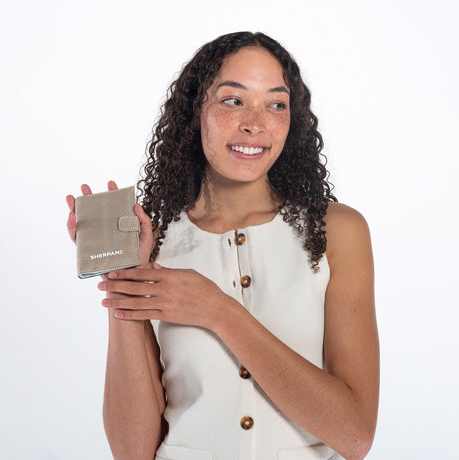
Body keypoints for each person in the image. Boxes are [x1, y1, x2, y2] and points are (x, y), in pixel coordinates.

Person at [66, 32, 379, 460]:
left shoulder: (336, 231)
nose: (255, 123)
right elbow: (132, 452)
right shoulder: (154, 239)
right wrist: (125, 274)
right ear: (195, 111)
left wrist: (217, 310)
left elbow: (355, 436)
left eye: (276, 104)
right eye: (233, 100)